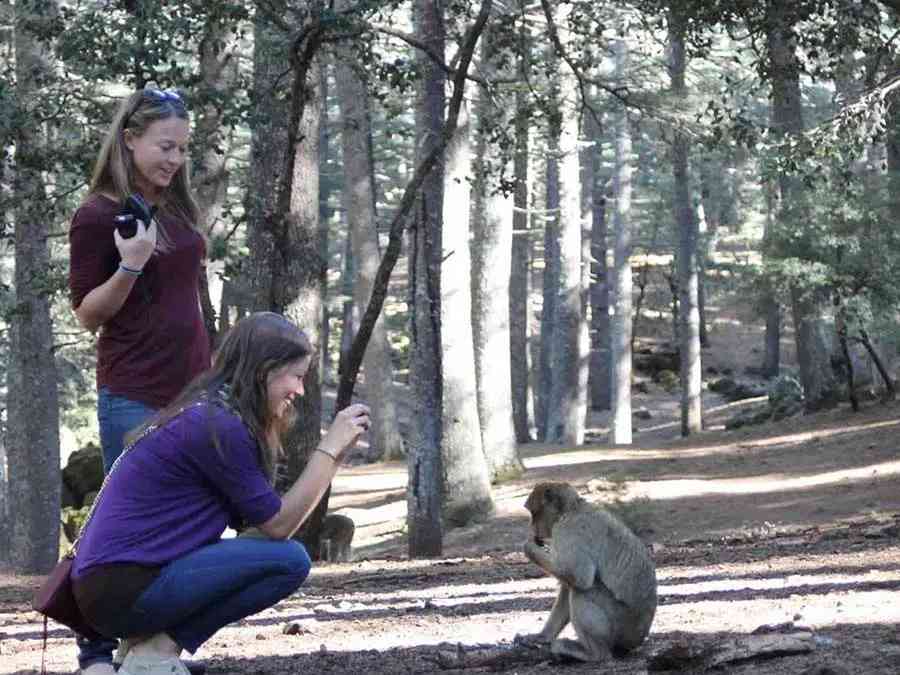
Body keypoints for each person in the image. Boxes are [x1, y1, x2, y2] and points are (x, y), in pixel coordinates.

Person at [71, 312, 371, 675]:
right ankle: (154, 654)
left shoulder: (213, 413)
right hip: (123, 588)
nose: (300, 390)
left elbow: (260, 528)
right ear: (265, 370)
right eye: (297, 376)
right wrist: (328, 451)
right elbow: (278, 526)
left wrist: (334, 457)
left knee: (275, 555)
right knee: (289, 561)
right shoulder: (217, 426)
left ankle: (140, 651)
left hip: (115, 584)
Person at [68, 87, 212, 674]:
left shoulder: (177, 208)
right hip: (134, 392)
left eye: (182, 148)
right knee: (120, 529)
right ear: (129, 139)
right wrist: (131, 262)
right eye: (164, 146)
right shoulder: (99, 214)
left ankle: (149, 648)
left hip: (195, 390)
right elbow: (87, 312)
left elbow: (190, 295)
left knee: (192, 520)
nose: (174, 159)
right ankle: (95, 652)